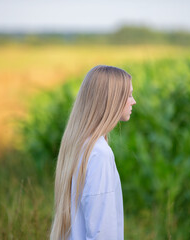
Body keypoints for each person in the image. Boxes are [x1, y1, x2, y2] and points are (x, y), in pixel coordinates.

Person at [50, 65, 136, 240]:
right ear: (111, 100)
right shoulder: (100, 154)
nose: (133, 101)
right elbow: (101, 231)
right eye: (128, 95)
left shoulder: (78, 145)